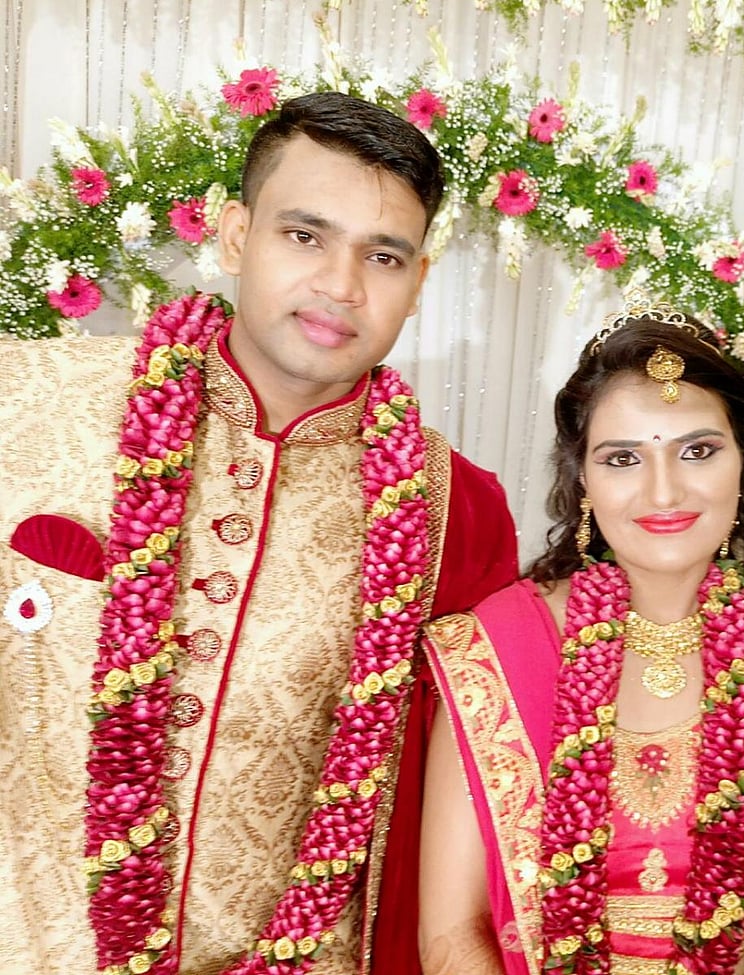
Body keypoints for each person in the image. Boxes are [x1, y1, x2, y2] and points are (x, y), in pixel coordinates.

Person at [0, 92, 518, 975]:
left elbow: (466, 827)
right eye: (305, 235)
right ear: (236, 235)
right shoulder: (26, 398)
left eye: (382, 256)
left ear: (418, 282)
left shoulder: (452, 510)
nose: (341, 286)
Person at [419, 293, 744, 975]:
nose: (663, 493)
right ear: (584, 482)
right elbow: (453, 936)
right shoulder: (495, 651)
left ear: (743, 465)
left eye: (697, 450)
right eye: (623, 458)